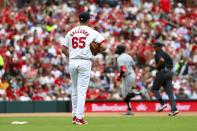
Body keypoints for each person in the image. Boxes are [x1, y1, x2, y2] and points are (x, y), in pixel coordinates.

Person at [61, 12, 106, 125]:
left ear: (79, 20)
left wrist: (70, 56)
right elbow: (104, 46)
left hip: (73, 61)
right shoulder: (92, 31)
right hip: (85, 61)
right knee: (81, 91)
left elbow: (63, 48)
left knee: (75, 90)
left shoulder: (71, 32)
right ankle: (79, 117)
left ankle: (74, 116)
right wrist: (95, 53)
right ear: (88, 20)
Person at [151, 42, 179, 116]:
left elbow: (161, 60)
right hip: (169, 73)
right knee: (170, 92)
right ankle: (174, 109)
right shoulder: (166, 54)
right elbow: (172, 65)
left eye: (155, 47)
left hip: (162, 72)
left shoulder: (157, 53)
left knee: (154, 89)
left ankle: (162, 103)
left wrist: (156, 67)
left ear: (158, 47)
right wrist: (168, 70)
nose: (154, 48)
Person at [115, 44, 142, 115]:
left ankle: (140, 93)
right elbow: (134, 67)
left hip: (127, 76)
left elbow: (123, 70)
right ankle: (129, 109)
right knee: (125, 95)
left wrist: (119, 76)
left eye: (117, 49)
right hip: (131, 74)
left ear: (120, 50)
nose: (116, 50)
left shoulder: (120, 58)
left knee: (126, 95)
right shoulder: (129, 56)